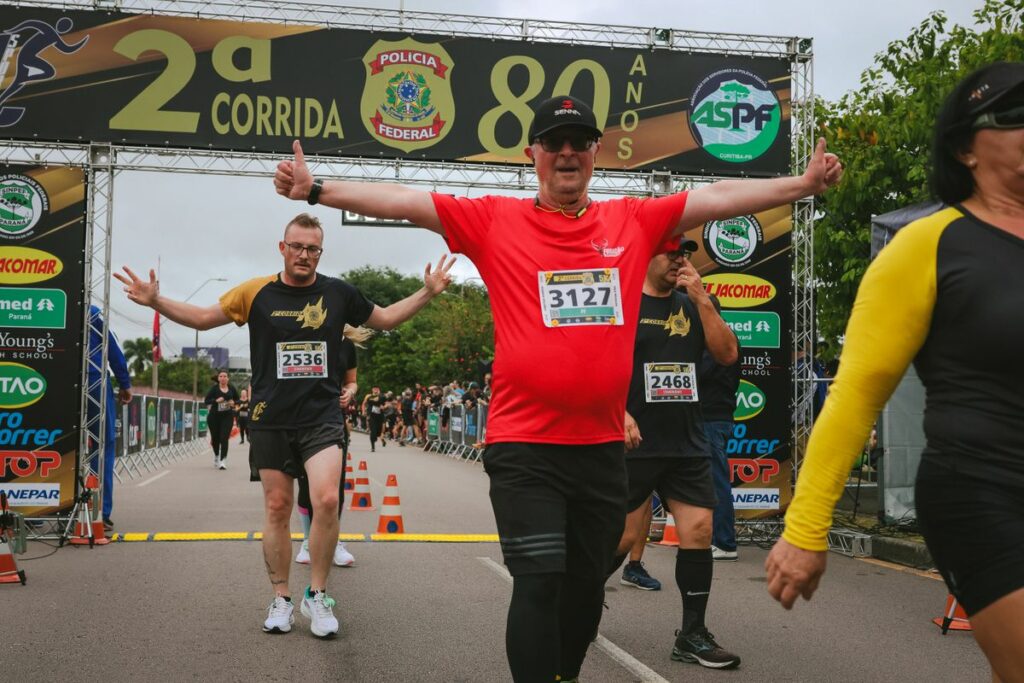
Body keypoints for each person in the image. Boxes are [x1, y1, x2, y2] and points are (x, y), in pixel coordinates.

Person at [274, 94, 841, 680]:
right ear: (534, 155)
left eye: (579, 141)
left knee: (582, 593)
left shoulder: (631, 220)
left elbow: (715, 198)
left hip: (599, 450)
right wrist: (319, 192)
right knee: (540, 580)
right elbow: (407, 201)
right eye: (554, 142)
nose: (567, 152)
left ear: (595, 151)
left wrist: (798, 185)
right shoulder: (496, 220)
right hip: (525, 446)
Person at [763, 62, 1024, 682]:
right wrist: (805, 527)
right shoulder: (928, 244)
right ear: (966, 147)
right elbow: (855, 393)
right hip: (980, 491)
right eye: (1015, 115)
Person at [114, 212, 454, 639]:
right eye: (297, 246)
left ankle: (318, 594)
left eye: (313, 249)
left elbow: (383, 319)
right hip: (270, 419)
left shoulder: (338, 293)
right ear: (283, 247)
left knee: (327, 499)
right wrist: (156, 301)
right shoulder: (255, 292)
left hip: (322, 418)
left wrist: (427, 292)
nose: (305, 255)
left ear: (320, 253)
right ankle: (281, 598)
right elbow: (203, 318)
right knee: (277, 508)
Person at [613, 243, 741, 669]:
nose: (679, 258)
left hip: (687, 442)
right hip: (636, 441)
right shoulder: (625, 303)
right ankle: (580, 601)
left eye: (684, 251)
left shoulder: (693, 304)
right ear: (646, 256)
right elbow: (595, 364)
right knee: (623, 538)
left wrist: (704, 300)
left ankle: (692, 635)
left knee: (700, 529)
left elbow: (727, 354)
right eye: (669, 251)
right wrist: (620, 412)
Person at [295, 324, 370, 568]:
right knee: (306, 483)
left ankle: (332, 541)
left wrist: (349, 392)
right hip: (301, 417)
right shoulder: (304, 337)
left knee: (333, 487)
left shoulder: (346, 346)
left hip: (333, 420)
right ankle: (307, 540)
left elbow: (352, 381)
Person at [698, 297, 741, 562]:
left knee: (715, 481)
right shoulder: (718, 335)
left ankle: (724, 542)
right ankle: (712, 538)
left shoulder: (719, 339)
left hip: (712, 419)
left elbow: (698, 372)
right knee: (706, 482)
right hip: (710, 418)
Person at [86, 304, 132, 531]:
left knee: (56, 442)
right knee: (103, 445)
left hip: (54, 380)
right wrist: (124, 383)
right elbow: (112, 347)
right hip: (93, 380)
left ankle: (46, 505)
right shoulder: (92, 312)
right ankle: (99, 513)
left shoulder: (42, 305)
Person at [204, 370, 238, 470]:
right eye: (221, 376)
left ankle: (223, 460)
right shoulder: (214, 389)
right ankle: (216, 455)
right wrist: (215, 401)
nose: (223, 378)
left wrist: (233, 402)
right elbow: (207, 401)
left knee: (224, 438)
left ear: (228, 378)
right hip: (214, 417)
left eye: (225, 376)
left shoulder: (232, 388)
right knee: (215, 439)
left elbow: (238, 399)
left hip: (227, 417)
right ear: (218, 378)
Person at [362, 386, 385, 451]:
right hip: (372, 415)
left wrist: (383, 406)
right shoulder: (368, 396)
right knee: (373, 431)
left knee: (379, 432)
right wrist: (363, 411)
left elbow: (387, 403)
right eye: (374, 389)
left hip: (380, 416)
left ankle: (376, 437)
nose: (375, 390)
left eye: (377, 389)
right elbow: (364, 404)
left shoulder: (382, 396)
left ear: (379, 390)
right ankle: (373, 447)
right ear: (372, 390)